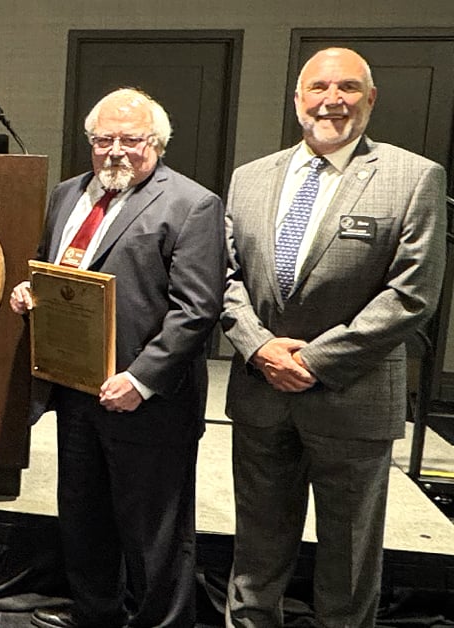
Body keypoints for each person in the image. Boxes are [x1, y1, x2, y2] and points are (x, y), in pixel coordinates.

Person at [222, 48, 446, 626]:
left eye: (348, 87)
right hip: (260, 393)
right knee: (256, 545)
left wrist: (316, 360)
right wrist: (259, 346)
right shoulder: (249, 179)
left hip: (353, 398)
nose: (332, 100)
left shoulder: (412, 176)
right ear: (298, 99)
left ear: (370, 99)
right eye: (319, 87)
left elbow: (411, 295)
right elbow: (224, 278)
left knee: (348, 558)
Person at [10, 88, 225, 628]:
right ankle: (94, 612)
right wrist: (27, 291)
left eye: (131, 140)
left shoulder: (192, 204)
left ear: (157, 143)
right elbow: (49, 266)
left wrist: (142, 379)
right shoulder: (66, 194)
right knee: (83, 516)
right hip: (77, 388)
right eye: (104, 140)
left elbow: (196, 311)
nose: (116, 152)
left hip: (149, 402)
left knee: (155, 532)